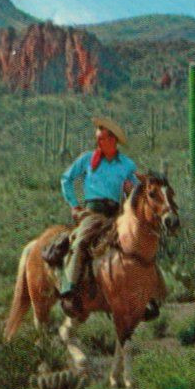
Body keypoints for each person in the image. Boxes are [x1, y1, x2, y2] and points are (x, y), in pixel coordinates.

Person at [55, 116, 138, 305]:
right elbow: (66, 179)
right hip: (93, 213)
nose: (99, 142)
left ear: (113, 140)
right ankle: (69, 285)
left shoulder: (126, 164)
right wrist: (74, 204)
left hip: (118, 213)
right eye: (98, 138)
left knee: (138, 243)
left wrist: (131, 190)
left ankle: (148, 292)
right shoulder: (86, 159)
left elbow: (139, 190)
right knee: (82, 239)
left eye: (102, 138)